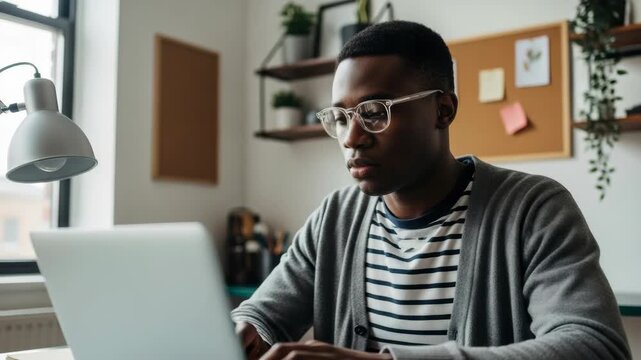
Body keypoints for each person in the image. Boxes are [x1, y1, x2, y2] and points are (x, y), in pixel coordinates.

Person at [231, 20, 631, 360]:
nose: (352, 138)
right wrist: (242, 332)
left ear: (443, 110)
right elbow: (263, 316)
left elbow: (596, 346)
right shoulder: (334, 217)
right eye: (340, 117)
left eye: (374, 113)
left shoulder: (533, 209)